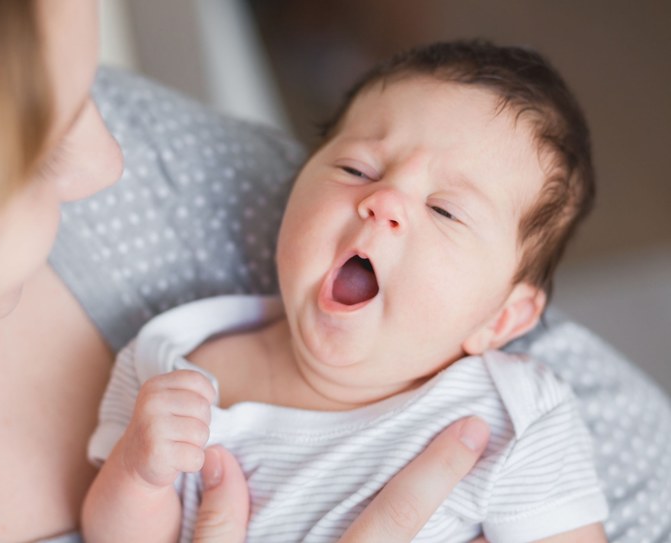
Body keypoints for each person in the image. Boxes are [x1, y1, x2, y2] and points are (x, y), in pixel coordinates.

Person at [0, 2, 505, 542]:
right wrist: (140, 473)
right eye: (40, 151)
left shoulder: (508, 399)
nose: (110, 164)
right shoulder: (180, 360)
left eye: (91, 88)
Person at [83, 41, 611, 542]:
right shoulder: (170, 365)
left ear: (500, 319)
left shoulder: (512, 418)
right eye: (355, 169)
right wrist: (138, 473)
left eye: (445, 209)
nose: (385, 201)